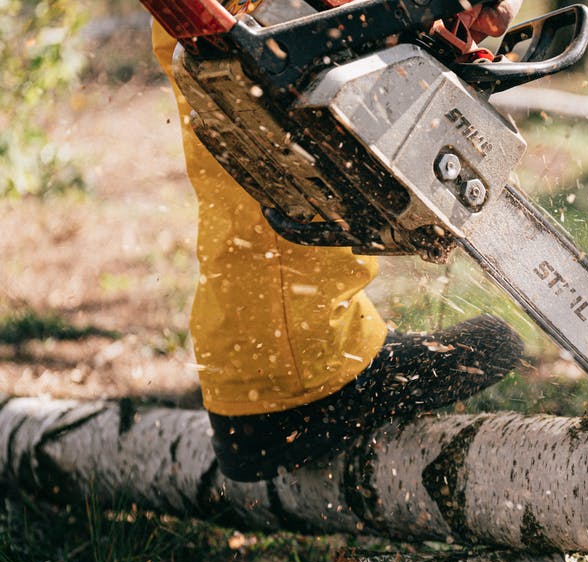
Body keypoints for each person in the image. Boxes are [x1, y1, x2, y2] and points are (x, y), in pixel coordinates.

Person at [151, 0, 525, 482]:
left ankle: (265, 370)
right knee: (276, 53)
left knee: (232, 62)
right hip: (297, 375)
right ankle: (300, 376)